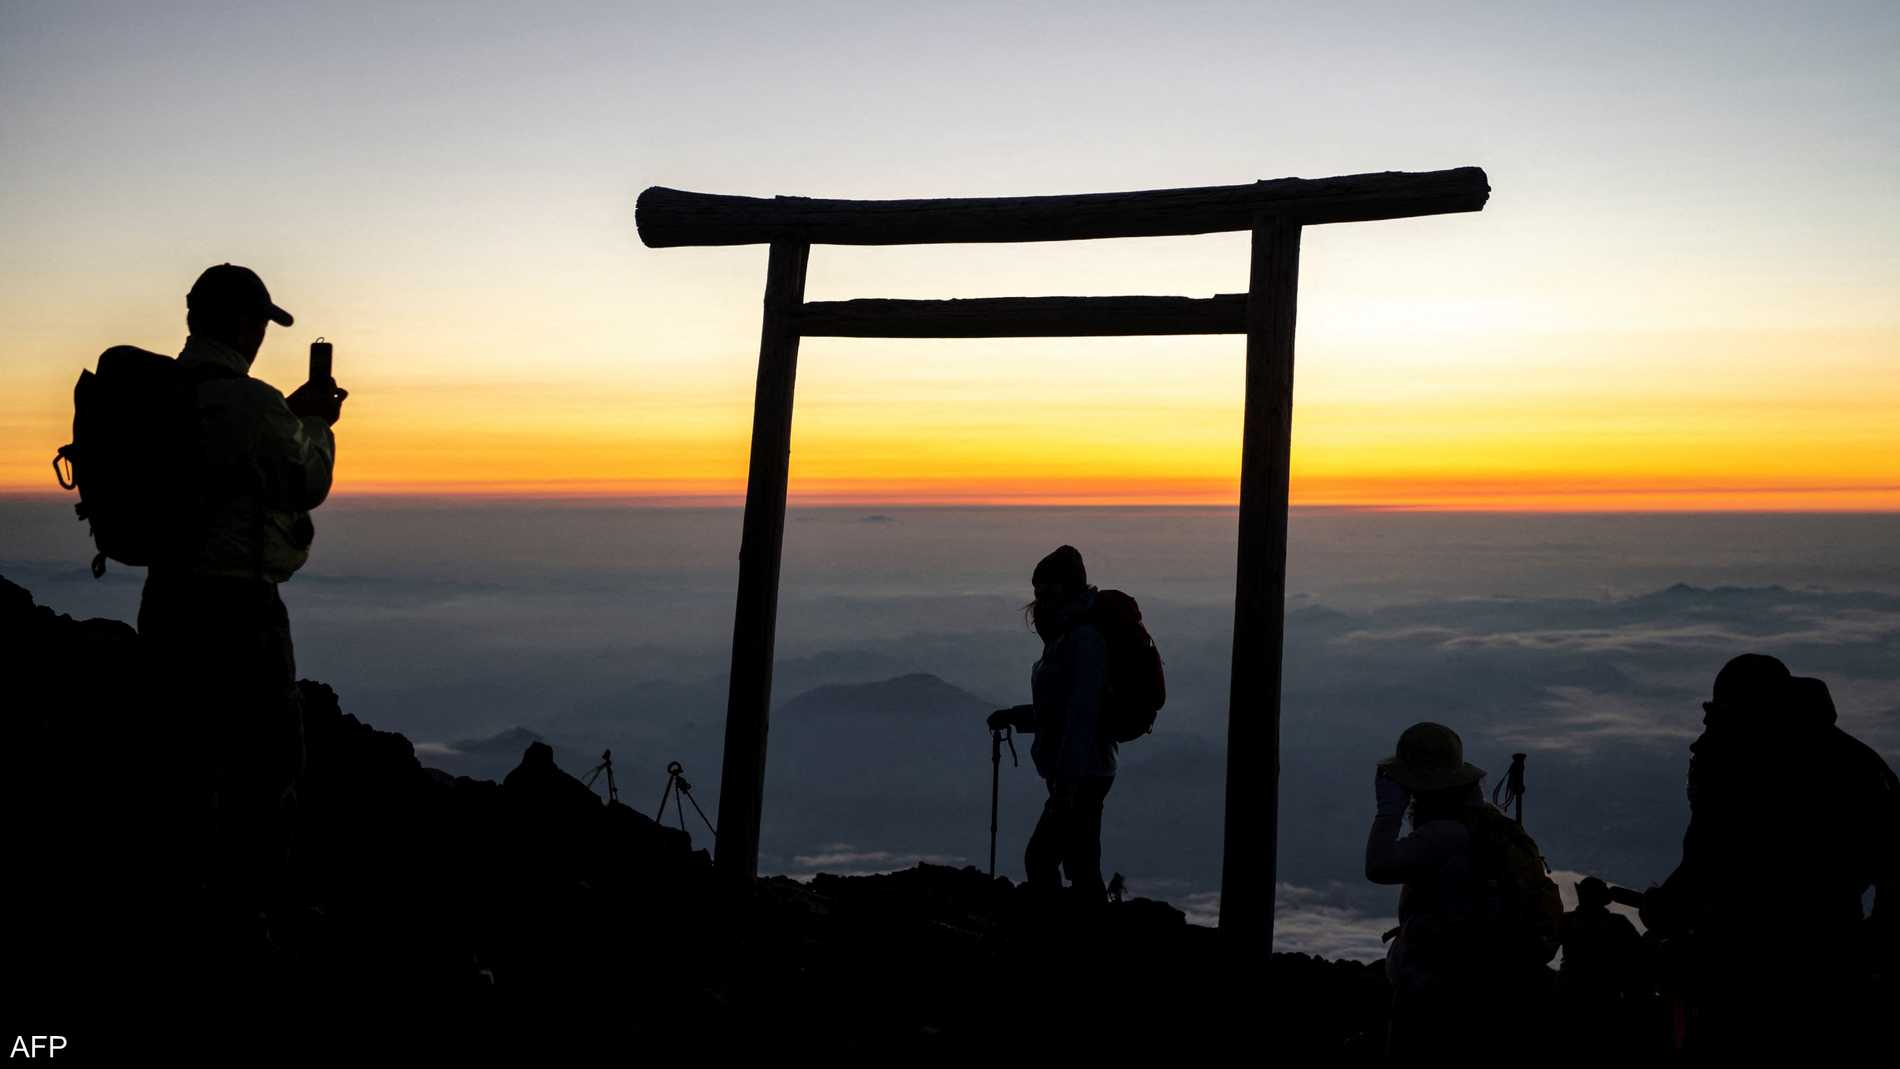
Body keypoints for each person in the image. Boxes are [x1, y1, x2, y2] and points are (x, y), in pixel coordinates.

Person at [137, 264, 347, 939]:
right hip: (239, 608)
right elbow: (305, 480)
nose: (262, 335)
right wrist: (314, 422)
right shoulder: (253, 405)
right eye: (259, 322)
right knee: (266, 761)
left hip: (166, 598)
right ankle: (253, 914)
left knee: (179, 752)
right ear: (238, 322)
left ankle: (177, 896)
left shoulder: (161, 393)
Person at [1642, 654, 1899, 1053]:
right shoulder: (1857, 761)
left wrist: (1667, 909)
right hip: (1835, 963)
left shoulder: (1740, 759)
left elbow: (1712, 859)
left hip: (1742, 972)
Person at [1365, 722, 1553, 1055]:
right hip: (1484, 988)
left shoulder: (1444, 835)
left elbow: (1378, 866)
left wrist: (1388, 811)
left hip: (1437, 1000)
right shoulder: (1486, 826)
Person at [987, 545, 1115, 903]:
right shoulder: (1067, 636)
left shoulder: (1082, 640)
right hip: (1081, 771)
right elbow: (1061, 710)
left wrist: (1067, 787)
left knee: (1042, 858)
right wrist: (1015, 715)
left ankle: (1058, 941)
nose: (1039, 598)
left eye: (1045, 589)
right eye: (1036, 590)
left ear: (1067, 588)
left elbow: (1081, 718)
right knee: (1081, 863)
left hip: (1081, 773)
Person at [1558, 877, 1649, 1052]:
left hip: (1570, 997)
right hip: (1606, 1001)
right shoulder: (1618, 923)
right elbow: (1641, 956)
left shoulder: (1566, 921)